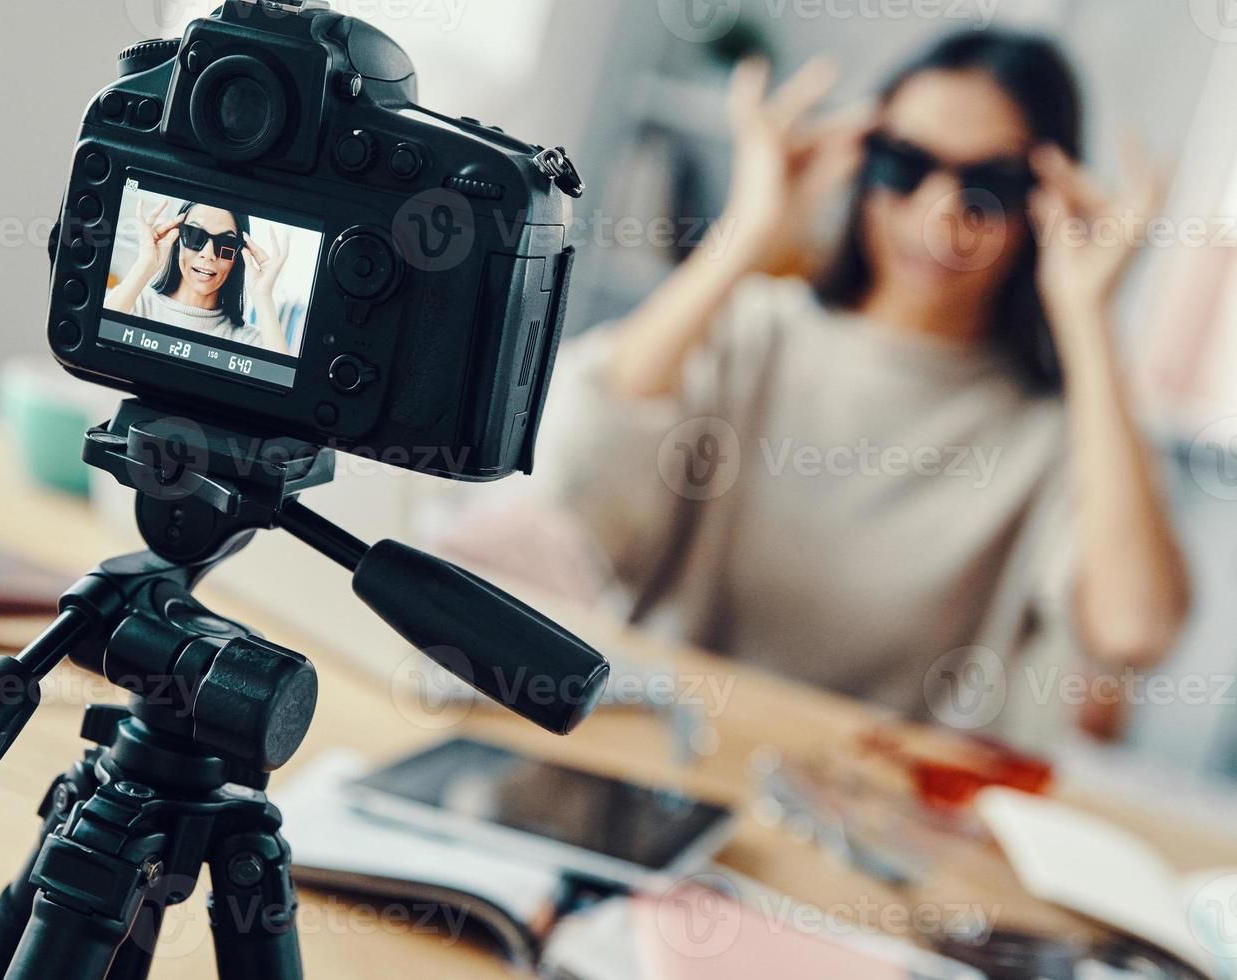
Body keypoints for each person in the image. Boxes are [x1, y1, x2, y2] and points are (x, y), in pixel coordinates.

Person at [455, 31, 1191, 724]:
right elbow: (567, 468)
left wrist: (1088, 322)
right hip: (657, 747)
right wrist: (746, 235)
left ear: (1043, 206)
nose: (939, 214)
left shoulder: (1057, 429)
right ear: (865, 164)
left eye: (989, 185)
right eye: (905, 163)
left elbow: (1133, 630)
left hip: (875, 813)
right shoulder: (756, 333)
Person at [105, 197, 293, 355]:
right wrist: (144, 265)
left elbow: (280, 385)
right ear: (178, 239)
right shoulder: (135, 305)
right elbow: (94, 336)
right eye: (194, 236)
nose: (208, 254)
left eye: (226, 244)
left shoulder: (246, 339)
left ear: (238, 256)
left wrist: (263, 296)